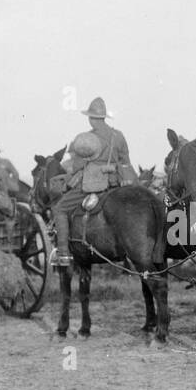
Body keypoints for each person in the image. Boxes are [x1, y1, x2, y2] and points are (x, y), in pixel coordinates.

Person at [51, 98, 133, 267]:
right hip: (114, 182)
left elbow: (78, 166)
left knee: (60, 209)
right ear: (103, 117)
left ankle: (64, 254)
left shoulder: (86, 139)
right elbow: (126, 162)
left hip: (91, 184)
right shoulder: (118, 136)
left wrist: (69, 180)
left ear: (91, 118)